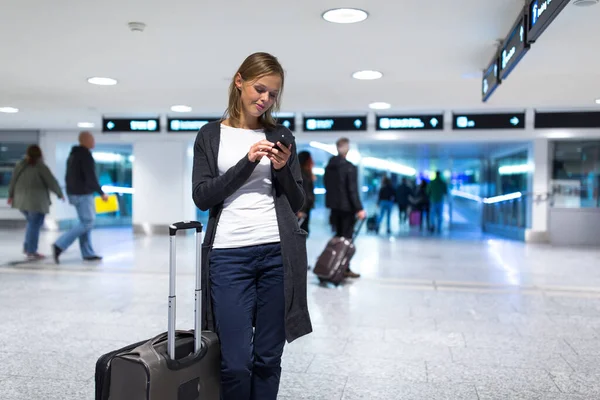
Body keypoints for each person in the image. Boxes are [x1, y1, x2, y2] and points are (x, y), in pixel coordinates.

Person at [191, 52, 312, 400]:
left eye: (273, 94)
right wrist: (247, 163)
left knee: (268, 358)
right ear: (239, 80)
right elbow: (202, 196)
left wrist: (282, 170)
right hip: (228, 256)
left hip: (278, 254)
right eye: (260, 89)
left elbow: (298, 201)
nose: (265, 99)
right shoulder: (211, 135)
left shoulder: (280, 133)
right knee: (236, 362)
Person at [52, 131, 108, 263]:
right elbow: (91, 177)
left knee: (85, 222)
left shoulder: (73, 155)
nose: (94, 142)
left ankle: (87, 253)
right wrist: (101, 193)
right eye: (92, 139)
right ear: (85, 141)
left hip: (74, 193)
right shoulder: (85, 155)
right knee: (87, 222)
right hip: (83, 194)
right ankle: (59, 245)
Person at [7, 145, 64, 260]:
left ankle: (28, 247)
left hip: (21, 201)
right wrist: (59, 193)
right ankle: (31, 251)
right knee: (34, 225)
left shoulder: (20, 165)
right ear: (40, 154)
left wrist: (10, 195)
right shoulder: (40, 167)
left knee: (31, 224)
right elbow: (51, 181)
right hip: (36, 202)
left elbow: (13, 181)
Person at [323, 137, 366, 278]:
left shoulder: (329, 167)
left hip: (334, 209)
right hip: (347, 209)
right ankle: (344, 268)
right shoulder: (349, 167)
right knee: (347, 240)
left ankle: (332, 266)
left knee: (337, 239)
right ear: (346, 148)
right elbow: (352, 190)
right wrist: (359, 208)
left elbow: (327, 186)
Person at [297, 151, 315, 235]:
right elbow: (302, 192)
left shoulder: (306, 173)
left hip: (306, 208)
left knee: (304, 231)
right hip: (302, 210)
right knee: (302, 232)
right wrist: (300, 210)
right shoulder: (300, 175)